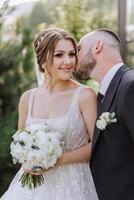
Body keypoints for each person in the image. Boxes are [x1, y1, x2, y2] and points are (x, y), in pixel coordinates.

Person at [0, 28, 98, 200]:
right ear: (43, 58)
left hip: (74, 186)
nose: (68, 61)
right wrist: (29, 159)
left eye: (71, 54)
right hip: (30, 190)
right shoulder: (27, 98)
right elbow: (21, 144)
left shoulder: (85, 95)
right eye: (59, 55)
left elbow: (97, 145)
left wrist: (56, 160)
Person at [77, 28, 134, 200]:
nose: (74, 57)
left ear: (98, 46)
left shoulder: (130, 85)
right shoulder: (105, 92)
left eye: (78, 49)